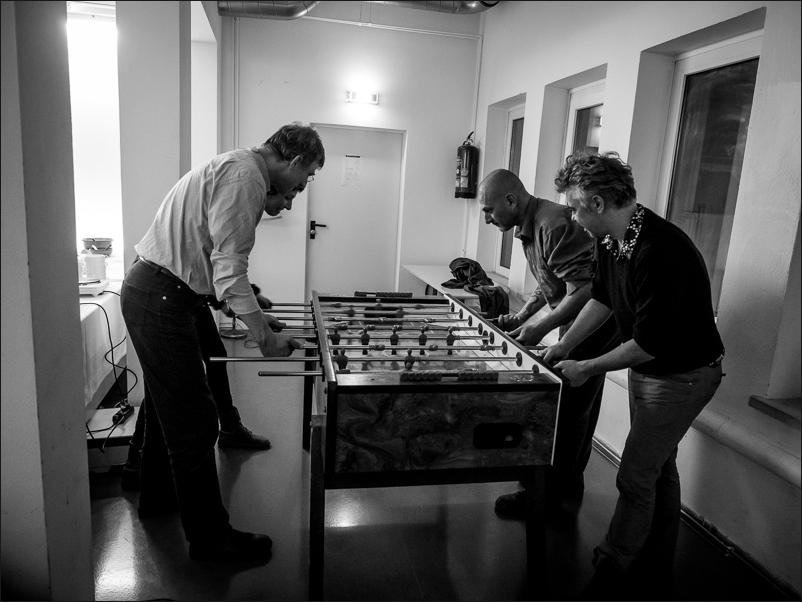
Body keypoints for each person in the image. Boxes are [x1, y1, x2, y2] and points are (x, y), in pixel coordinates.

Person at [119, 122, 325, 564]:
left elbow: (209, 261)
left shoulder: (238, 166)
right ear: (294, 161)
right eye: (303, 179)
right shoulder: (247, 177)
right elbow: (230, 269)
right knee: (194, 420)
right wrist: (264, 337)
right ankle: (210, 539)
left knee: (164, 409)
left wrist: (252, 313)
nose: (296, 193)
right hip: (161, 296)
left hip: (159, 291)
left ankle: (158, 499)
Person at [542, 151, 724, 599]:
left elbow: (648, 342)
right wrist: (564, 345)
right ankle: (656, 561)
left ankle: (614, 565)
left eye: (575, 207)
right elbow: (602, 299)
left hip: (684, 374)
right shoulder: (609, 240)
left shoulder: (661, 250)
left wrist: (586, 366)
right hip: (653, 369)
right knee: (659, 467)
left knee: (635, 474)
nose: (572, 216)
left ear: (598, 203)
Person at [478, 169, 619, 519]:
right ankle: (565, 488)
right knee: (575, 411)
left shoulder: (551, 224)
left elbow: (585, 289)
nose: (487, 218)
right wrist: (522, 316)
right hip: (580, 324)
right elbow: (550, 281)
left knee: (565, 414)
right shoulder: (531, 226)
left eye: (489, 210)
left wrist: (541, 329)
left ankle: (547, 499)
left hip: (592, 327)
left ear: (511, 200)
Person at [120, 284, 275, 491]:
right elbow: (219, 273)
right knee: (160, 379)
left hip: (188, 293)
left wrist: (243, 299)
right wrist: (242, 303)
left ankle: (230, 427)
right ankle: (135, 464)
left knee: (215, 355)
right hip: (164, 293)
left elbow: (211, 273)